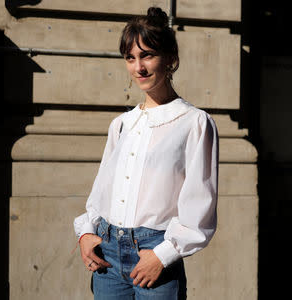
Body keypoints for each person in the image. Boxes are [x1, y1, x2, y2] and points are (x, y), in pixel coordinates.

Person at [73, 7, 219, 300]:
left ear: (171, 59)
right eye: (130, 58)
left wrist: (163, 255)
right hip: (107, 254)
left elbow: (199, 204)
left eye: (147, 55)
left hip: (154, 254)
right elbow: (102, 192)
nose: (138, 67)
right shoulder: (122, 124)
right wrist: (86, 233)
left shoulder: (194, 122)